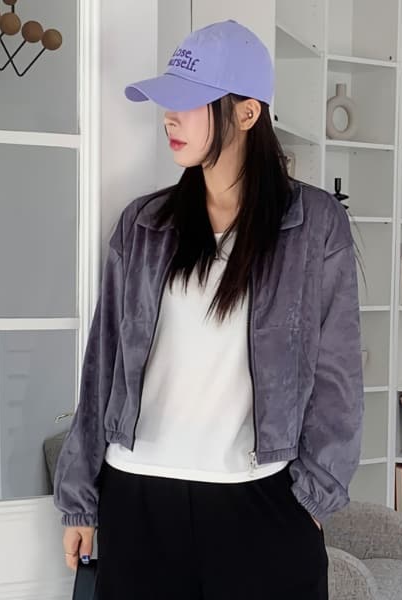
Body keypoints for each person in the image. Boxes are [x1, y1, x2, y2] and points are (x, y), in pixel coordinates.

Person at [53, 19, 364, 600]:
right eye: (167, 102)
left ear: (247, 113)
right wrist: (80, 499)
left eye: (188, 102)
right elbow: (102, 366)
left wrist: (314, 498)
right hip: (139, 498)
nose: (169, 117)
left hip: (261, 499)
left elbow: (338, 375)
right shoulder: (144, 224)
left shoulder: (314, 225)